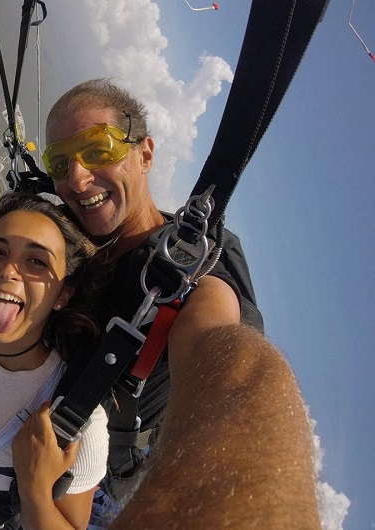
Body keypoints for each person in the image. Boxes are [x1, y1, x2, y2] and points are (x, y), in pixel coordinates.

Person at [16, 78, 320, 528]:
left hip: (96, 492)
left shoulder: (193, 265)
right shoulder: (65, 245)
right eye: (59, 164)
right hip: (28, 452)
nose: (77, 179)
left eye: (98, 151)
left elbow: (225, 360)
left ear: (146, 154)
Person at [0, 192, 109, 529]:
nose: (8, 270)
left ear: (63, 295)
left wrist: (34, 491)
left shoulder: (77, 424)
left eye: (37, 262)